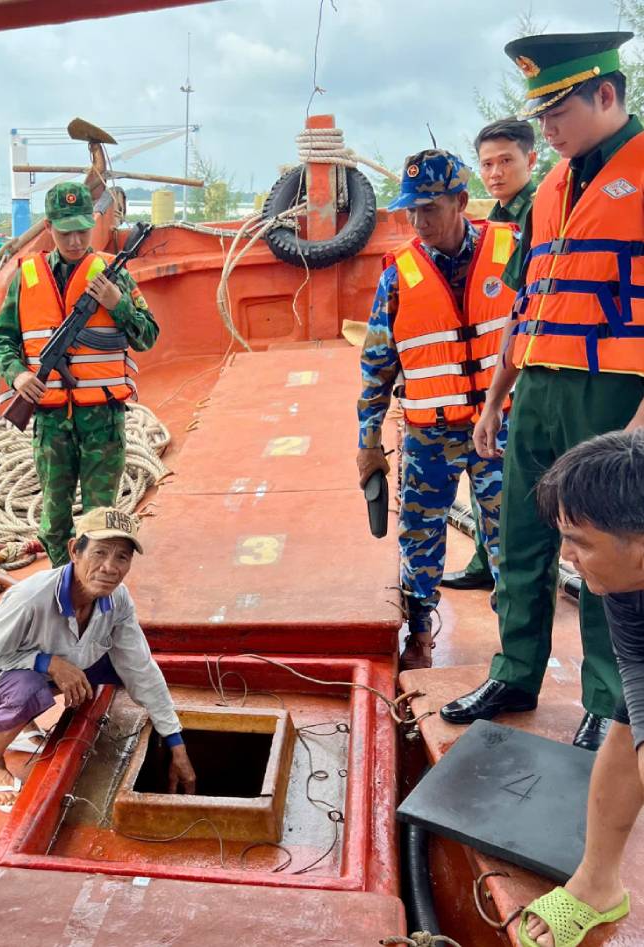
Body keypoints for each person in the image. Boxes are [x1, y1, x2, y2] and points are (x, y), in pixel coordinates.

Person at [441, 31, 644, 752]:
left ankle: (604, 699)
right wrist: (497, 397)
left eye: (558, 111)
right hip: (537, 387)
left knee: (599, 549)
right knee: (522, 538)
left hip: (613, 393)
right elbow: (526, 301)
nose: (546, 127)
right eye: (542, 112)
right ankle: (515, 669)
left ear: (608, 95)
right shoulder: (550, 187)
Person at [357, 150, 516, 671]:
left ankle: (517, 641)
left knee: (512, 535)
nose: (420, 221)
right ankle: (421, 631)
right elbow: (376, 368)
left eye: (430, 208)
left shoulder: (510, 250)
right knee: (420, 535)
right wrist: (369, 444)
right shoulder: (397, 278)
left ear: (462, 203)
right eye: (412, 211)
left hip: (502, 430)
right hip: (430, 435)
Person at [0, 506, 196, 812]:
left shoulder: (117, 600)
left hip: (13, 670)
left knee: (114, 666)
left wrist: (175, 740)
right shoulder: (31, 598)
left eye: (122, 557)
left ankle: (19, 726)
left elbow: (140, 668)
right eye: (100, 552)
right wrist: (47, 663)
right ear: (74, 551)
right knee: (28, 688)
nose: (110, 567)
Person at [0, 181, 159, 567]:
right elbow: (1, 338)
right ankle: (64, 584)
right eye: (66, 231)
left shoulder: (113, 276)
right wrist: (17, 375)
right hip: (50, 421)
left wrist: (118, 306)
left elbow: (148, 336)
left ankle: (95, 593)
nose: (76, 239)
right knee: (53, 524)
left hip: (103, 419)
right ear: (49, 227)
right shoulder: (26, 277)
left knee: (100, 522)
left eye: (83, 229)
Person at [518, 430, 643, 947]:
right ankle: (596, 884)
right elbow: (636, 666)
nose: (565, 556)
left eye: (581, 543)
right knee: (625, 731)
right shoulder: (623, 580)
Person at [442, 118, 537, 594]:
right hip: (490, 368)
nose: (495, 173)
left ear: (530, 160)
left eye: (506, 161)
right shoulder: (496, 220)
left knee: (511, 485)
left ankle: (515, 582)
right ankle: (485, 560)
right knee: (487, 475)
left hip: (524, 367)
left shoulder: (538, 215)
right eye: (487, 163)